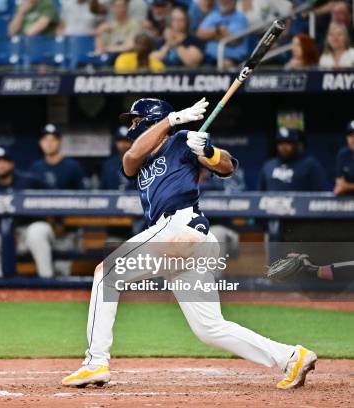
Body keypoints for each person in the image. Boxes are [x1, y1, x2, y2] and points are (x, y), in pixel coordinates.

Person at [61, 97, 317, 390]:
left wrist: (208, 151)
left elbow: (228, 166)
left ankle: (95, 363)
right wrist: (172, 120)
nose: (131, 125)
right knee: (209, 328)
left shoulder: (182, 141)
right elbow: (130, 158)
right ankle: (291, 357)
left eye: (135, 119)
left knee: (105, 274)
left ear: (150, 120)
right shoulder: (141, 156)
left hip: (182, 227)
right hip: (181, 237)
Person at [0, 147, 55, 278]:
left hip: (28, 231)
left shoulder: (30, 181)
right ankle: (4, 280)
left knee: (37, 231)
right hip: (4, 236)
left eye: (4, 160)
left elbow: (56, 199)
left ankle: (47, 279)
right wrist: (7, 234)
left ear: (12, 163)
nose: (1, 165)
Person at [258, 128, 327, 192]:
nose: (284, 147)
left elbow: (321, 193)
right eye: (280, 143)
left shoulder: (310, 165)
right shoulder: (268, 165)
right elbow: (259, 194)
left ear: (296, 145)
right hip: (271, 204)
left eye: (288, 143)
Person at [29, 124, 85, 189]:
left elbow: (83, 194)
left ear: (60, 142)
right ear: (40, 143)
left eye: (53, 140)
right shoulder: (35, 168)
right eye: (45, 140)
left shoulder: (73, 167)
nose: (49, 144)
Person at [196, 0, 248, 66]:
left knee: (226, 64)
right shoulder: (213, 15)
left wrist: (211, 36)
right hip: (209, 58)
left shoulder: (240, 18)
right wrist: (217, 30)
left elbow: (233, 41)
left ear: (234, 1)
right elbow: (199, 34)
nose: (225, 1)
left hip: (232, 60)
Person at [99, 126, 135, 190]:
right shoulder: (108, 164)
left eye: (127, 140)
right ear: (115, 142)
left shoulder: (139, 163)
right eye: (120, 140)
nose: (123, 144)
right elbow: (102, 189)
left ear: (132, 142)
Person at [334, 120, 354, 196]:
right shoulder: (343, 154)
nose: (353, 139)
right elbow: (339, 184)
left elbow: (344, 186)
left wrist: (347, 186)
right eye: (350, 135)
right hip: (348, 202)